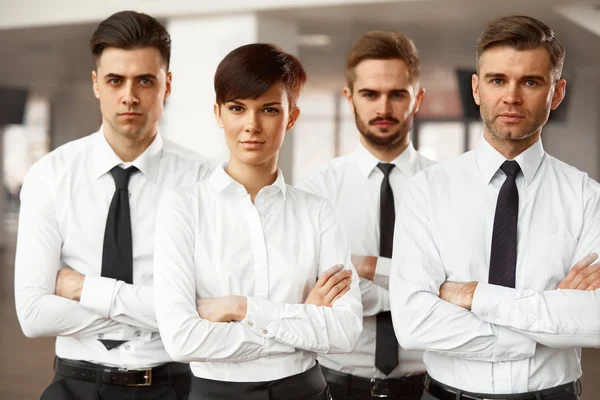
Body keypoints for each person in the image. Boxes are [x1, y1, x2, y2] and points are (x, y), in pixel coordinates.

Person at [390, 15, 600, 400]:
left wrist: (476, 297)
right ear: (476, 88)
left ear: (557, 93)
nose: (512, 97)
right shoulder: (426, 191)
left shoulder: (588, 198)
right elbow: (413, 323)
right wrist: (544, 325)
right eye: (497, 80)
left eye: (531, 82)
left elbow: (595, 321)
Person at [14, 10, 211, 399]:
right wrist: (159, 311)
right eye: (115, 80)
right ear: (96, 85)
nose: (129, 96)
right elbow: (33, 316)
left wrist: (84, 288)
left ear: (167, 85)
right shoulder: (50, 176)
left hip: (175, 386)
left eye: (145, 81)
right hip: (76, 386)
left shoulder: (204, 181)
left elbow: (205, 308)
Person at [153, 43, 363, 400]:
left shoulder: (317, 212)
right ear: (218, 114)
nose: (251, 125)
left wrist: (242, 308)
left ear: (291, 117)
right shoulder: (183, 208)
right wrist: (297, 321)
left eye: (268, 109)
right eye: (237, 109)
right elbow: (182, 339)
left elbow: (343, 331)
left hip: (306, 392)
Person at [298, 31, 433, 399]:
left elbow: (464, 286)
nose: (383, 109)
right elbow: (309, 292)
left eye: (397, 94)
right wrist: (418, 290)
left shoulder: (446, 188)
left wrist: (368, 268)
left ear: (417, 98)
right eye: (370, 94)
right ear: (349, 98)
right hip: (335, 384)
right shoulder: (315, 191)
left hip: (427, 386)